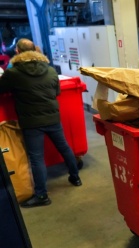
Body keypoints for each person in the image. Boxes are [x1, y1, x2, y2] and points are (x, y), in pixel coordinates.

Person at [0, 38, 82, 208]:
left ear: (17, 52)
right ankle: (75, 177)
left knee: (37, 158)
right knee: (65, 147)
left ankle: (42, 195)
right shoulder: (51, 70)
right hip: (52, 117)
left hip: (31, 121)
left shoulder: (13, 73)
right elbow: (57, 91)